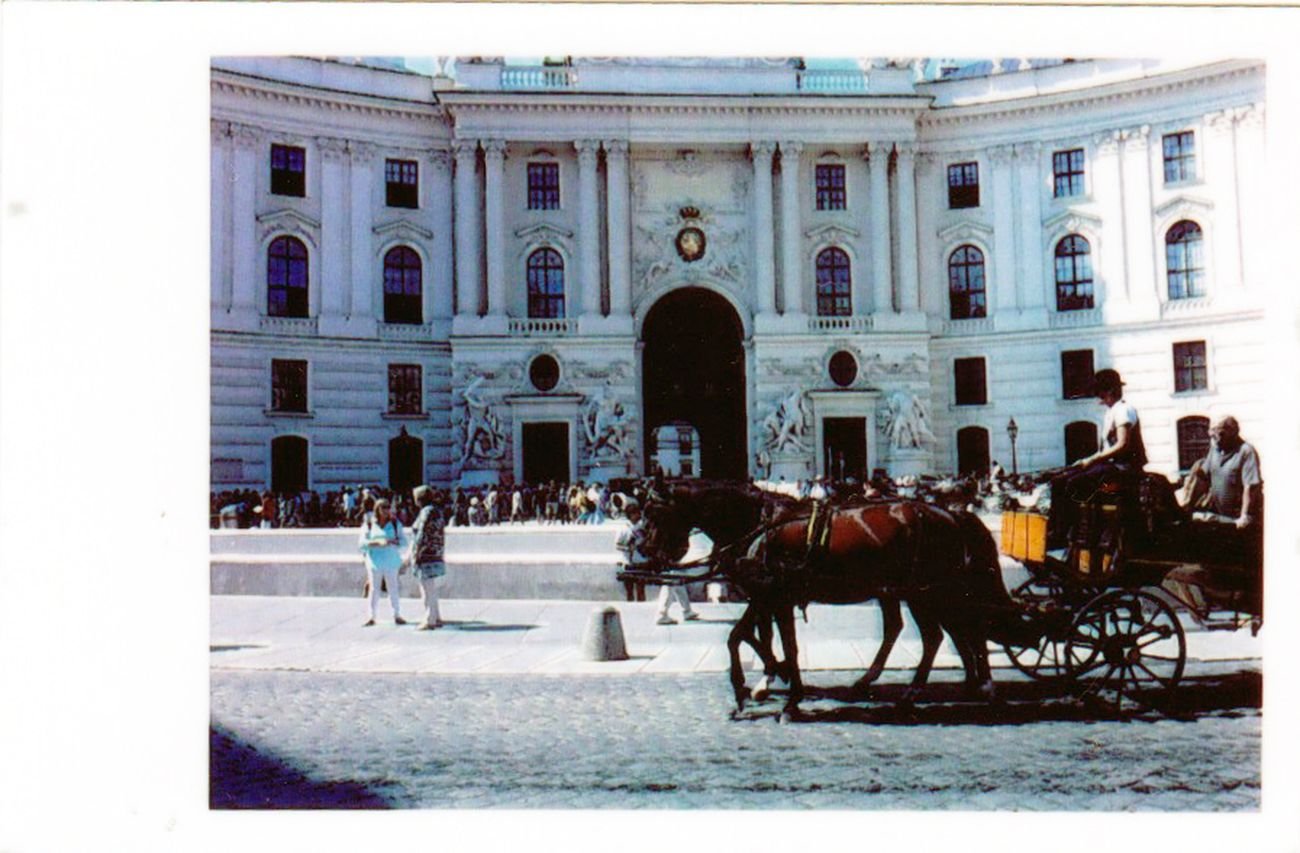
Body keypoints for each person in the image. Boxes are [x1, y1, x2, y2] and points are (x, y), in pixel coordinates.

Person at [1046, 369, 1147, 552]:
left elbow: (1123, 445)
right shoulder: (1111, 412)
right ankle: (1057, 532)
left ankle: (1067, 535)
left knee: (1074, 484)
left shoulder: (1124, 410)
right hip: (1112, 469)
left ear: (1108, 391)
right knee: (1059, 481)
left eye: (1098, 391)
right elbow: (1106, 449)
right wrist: (1084, 463)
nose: (1097, 397)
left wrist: (1092, 460)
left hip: (1123, 474)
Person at [1181, 416, 1263, 530]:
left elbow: (1250, 487)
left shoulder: (1246, 451)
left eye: (1220, 434)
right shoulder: (1215, 449)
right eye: (1212, 434)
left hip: (1237, 520)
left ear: (1233, 432)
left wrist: (1244, 516)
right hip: (1220, 517)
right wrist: (1188, 506)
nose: (1216, 439)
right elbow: (1203, 478)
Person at [358, 498, 407, 627]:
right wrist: (376, 543)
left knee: (393, 588)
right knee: (374, 589)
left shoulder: (395, 524)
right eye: (383, 507)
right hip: (375, 562)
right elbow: (362, 544)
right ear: (377, 509)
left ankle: (396, 614)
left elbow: (404, 542)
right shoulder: (369, 524)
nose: (386, 510)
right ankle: (371, 616)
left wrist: (392, 542)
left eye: (388, 507)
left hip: (391, 561)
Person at [406, 486, 447, 630]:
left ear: (419, 499)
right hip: (434, 553)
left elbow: (421, 534)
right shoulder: (437, 511)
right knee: (431, 587)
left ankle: (429, 619)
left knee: (426, 588)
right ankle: (436, 616)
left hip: (425, 555)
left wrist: (416, 553)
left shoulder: (425, 512)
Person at [654, 528, 706, 626]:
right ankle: (661, 614)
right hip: (673, 553)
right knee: (672, 581)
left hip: (673, 553)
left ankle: (687, 611)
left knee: (676, 581)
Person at [614, 500, 649, 602]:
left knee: (641, 589)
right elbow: (617, 545)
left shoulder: (642, 527)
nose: (638, 515)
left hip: (640, 561)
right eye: (636, 513)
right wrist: (628, 548)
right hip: (628, 562)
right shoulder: (624, 529)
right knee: (629, 590)